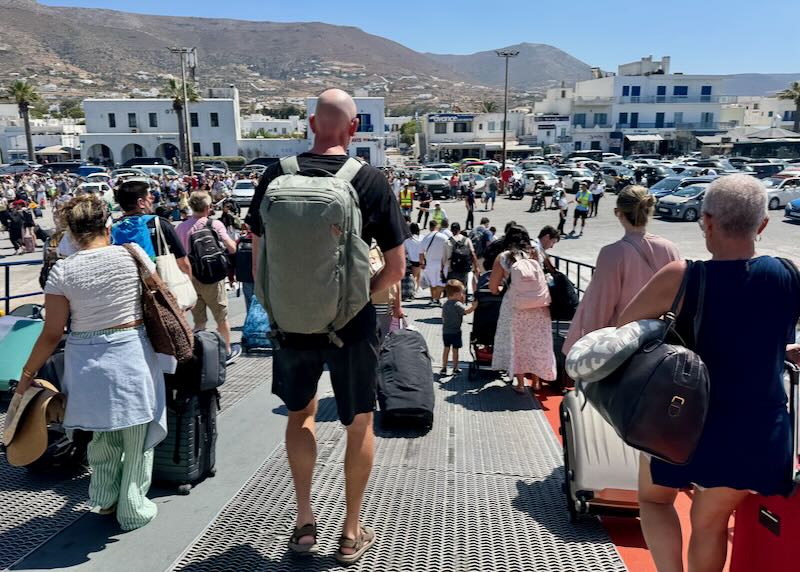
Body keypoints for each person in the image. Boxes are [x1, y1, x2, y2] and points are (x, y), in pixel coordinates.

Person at [244, 89, 408, 564]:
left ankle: (303, 523)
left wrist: (277, 305)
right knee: (359, 423)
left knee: (300, 415)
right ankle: (351, 532)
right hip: (351, 325)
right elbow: (396, 268)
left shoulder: (276, 175)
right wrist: (354, 298)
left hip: (291, 322)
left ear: (311, 124)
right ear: (354, 128)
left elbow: (259, 257)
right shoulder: (369, 179)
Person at [618, 175, 800, 572]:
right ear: (763, 224)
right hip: (759, 433)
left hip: (683, 425)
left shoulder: (682, 276)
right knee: (710, 523)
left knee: (653, 499)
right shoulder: (788, 274)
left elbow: (622, 334)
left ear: (708, 221)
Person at [14, 195, 167, 531]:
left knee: (102, 434)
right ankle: (133, 507)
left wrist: (27, 374)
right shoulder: (133, 254)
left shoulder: (62, 270)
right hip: (131, 352)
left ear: (71, 232)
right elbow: (160, 297)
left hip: (86, 361)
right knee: (136, 435)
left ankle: (103, 497)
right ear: (107, 226)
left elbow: (52, 332)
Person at [563, 185, 681, 353]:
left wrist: (587, 350)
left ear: (618, 213)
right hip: (659, 347)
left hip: (621, 348)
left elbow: (600, 309)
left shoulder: (612, 253)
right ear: (649, 210)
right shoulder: (670, 249)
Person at [489, 225, 557, 393]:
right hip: (539, 306)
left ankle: (520, 384)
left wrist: (502, 289)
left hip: (515, 307)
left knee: (518, 343)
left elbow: (493, 287)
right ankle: (536, 382)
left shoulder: (503, 257)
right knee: (537, 343)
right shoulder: (536, 253)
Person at [176, 191, 241, 361]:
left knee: (199, 321)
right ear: (208, 207)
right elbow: (232, 248)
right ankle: (227, 351)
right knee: (221, 318)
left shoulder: (181, 228)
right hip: (213, 277)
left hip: (191, 278)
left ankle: (200, 354)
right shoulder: (214, 224)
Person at [111, 179, 191, 277]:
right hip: (158, 281)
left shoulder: (113, 229)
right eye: (149, 198)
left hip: (129, 282)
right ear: (141, 202)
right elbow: (183, 262)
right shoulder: (160, 223)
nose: (152, 200)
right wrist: (188, 280)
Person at [440, 279, 477, 376]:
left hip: (446, 331)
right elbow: (466, 311)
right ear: (456, 294)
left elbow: (443, 316)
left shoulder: (445, 304)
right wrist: (474, 306)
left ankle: (444, 368)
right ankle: (455, 368)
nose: (462, 294)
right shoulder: (457, 304)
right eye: (461, 292)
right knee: (455, 350)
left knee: (446, 349)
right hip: (455, 331)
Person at [441, 221, 480, 292]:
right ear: (459, 230)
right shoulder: (467, 240)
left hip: (452, 269)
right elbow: (473, 254)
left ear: (451, 230)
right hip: (464, 269)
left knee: (452, 290)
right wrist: (476, 267)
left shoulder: (447, 242)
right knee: (463, 288)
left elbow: (444, 259)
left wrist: (442, 270)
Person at [419, 219, 448, 305]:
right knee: (440, 282)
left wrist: (422, 263)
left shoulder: (425, 238)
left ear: (430, 227)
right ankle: (437, 299)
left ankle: (433, 298)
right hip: (442, 264)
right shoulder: (443, 237)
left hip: (430, 264)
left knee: (432, 283)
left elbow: (421, 253)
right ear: (437, 226)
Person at [403, 222, 423, 291]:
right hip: (420, 260)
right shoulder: (422, 238)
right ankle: (417, 288)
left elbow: (405, 250)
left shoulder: (407, 239)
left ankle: (413, 290)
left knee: (413, 277)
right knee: (418, 275)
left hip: (411, 260)